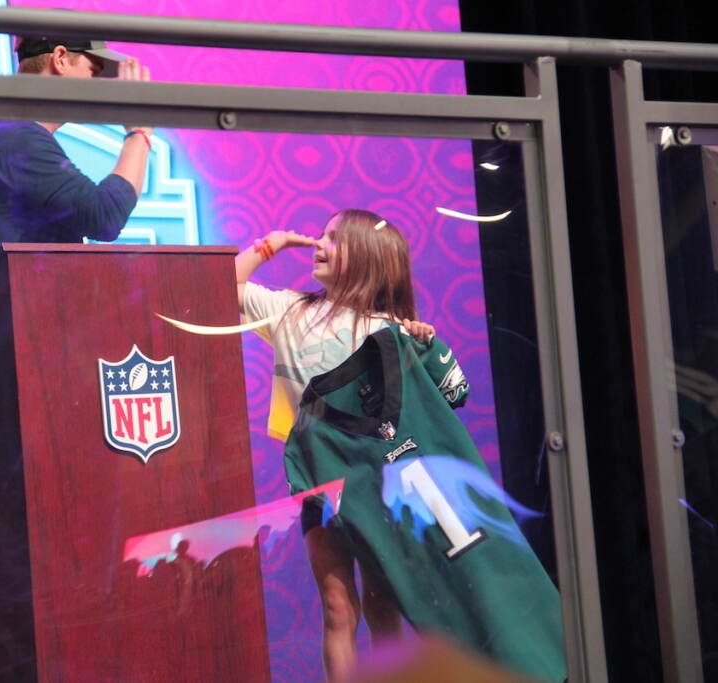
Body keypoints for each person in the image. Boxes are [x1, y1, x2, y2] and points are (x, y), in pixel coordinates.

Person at [236, 209, 565, 683]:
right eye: (321, 236)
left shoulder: (388, 328)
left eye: (334, 237)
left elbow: (455, 393)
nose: (319, 244)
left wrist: (427, 342)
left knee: (385, 603)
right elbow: (221, 286)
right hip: (318, 482)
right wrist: (272, 244)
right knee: (336, 606)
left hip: (376, 484)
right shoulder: (290, 311)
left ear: (365, 256)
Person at [0, 35, 153, 270]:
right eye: (93, 71)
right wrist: (138, 132)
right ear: (60, 59)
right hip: (26, 304)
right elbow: (105, 216)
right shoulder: (15, 138)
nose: (99, 85)